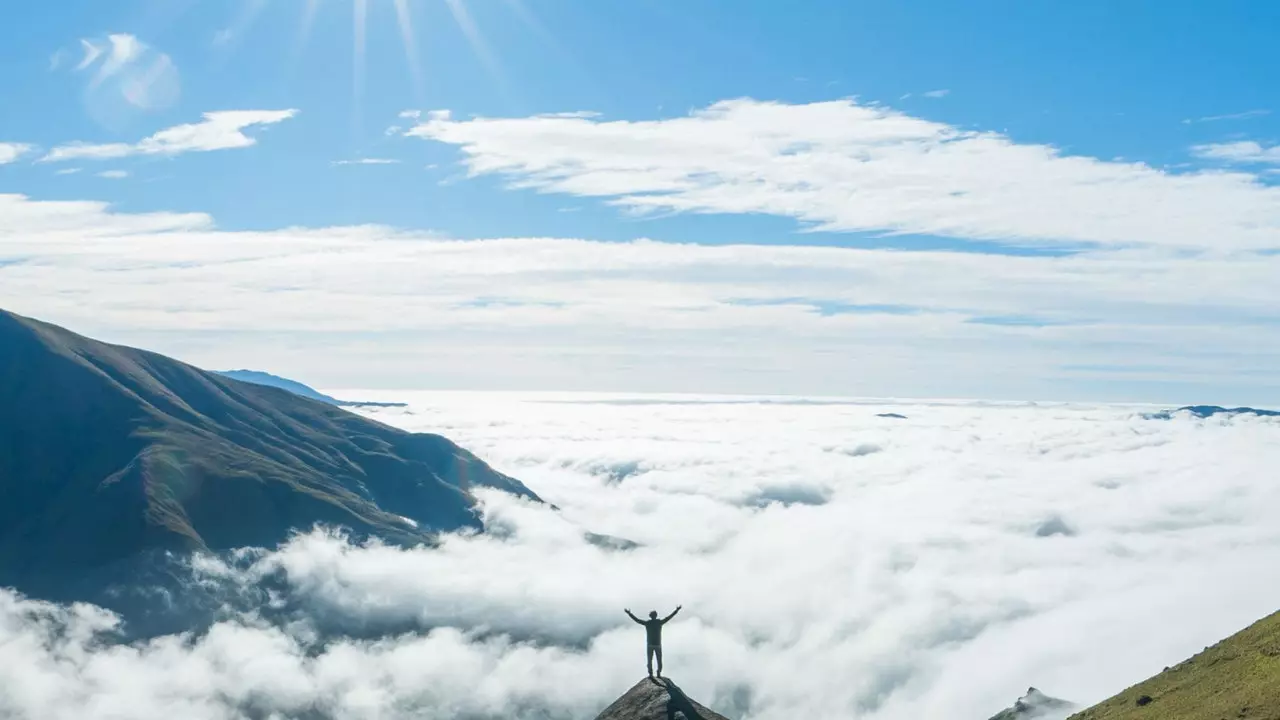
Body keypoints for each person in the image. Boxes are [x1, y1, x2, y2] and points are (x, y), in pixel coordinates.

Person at [625, 605, 681, 677]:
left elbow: (637, 620)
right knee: (659, 660)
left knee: (649, 660)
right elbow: (669, 617)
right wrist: (676, 610)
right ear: (656, 615)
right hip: (657, 644)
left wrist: (629, 613)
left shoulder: (648, 623)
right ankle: (658, 672)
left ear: (650, 616)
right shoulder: (659, 622)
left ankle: (650, 673)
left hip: (650, 645)